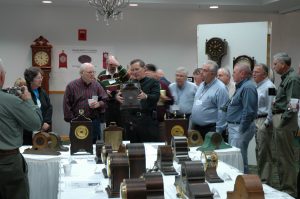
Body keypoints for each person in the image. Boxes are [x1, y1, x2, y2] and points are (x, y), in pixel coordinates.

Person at [0, 59, 42, 199]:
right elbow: (36, 123)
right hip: (7, 164)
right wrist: (29, 100)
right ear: (1, 77)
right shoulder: (10, 100)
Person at [271, 52, 300, 198]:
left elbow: (294, 104)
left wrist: (283, 121)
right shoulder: (287, 78)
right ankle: (285, 188)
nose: (273, 66)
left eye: (275, 63)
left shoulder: (293, 79)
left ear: (283, 64)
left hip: (285, 122)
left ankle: (290, 191)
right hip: (282, 119)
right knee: (281, 157)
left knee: (286, 158)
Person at [116, 59, 160, 143]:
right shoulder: (129, 83)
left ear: (144, 69)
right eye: (132, 70)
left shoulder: (153, 82)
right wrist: (118, 97)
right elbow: (123, 99)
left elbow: (156, 97)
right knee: (132, 149)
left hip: (147, 121)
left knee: (148, 149)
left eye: (137, 69)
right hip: (131, 122)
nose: (134, 72)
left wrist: (146, 96)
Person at [63, 62, 108, 143]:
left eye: (93, 72)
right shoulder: (72, 86)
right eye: (89, 72)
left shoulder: (97, 85)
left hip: (93, 121)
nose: (92, 74)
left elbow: (105, 100)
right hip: (77, 121)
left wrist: (99, 104)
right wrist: (73, 121)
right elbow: (66, 105)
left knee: (94, 147)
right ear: (81, 73)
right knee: (77, 146)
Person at [226, 62, 258, 173]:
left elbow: (248, 111)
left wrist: (241, 129)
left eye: (234, 72)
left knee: (239, 158)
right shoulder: (241, 86)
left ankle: (243, 183)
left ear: (242, 73)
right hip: (235, 127)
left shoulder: (248, 87)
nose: (232, 75)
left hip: (240, 127)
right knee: (236, 157)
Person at [190, 60, 229, 139]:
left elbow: (223, 112)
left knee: (209, 152)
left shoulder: (221, 88)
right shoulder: (201, 85)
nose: (201, 72)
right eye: (202, 69)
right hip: (196, 128)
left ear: (213, 73)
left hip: (210, 129)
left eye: (205, 70)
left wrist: (218, 132)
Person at [252, 63, 276, 185]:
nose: (253, 73)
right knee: (259, 151)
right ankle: (261, 178)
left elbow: (272, 106)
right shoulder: (257, 86)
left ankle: (266, 181)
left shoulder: (270, 86)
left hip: (264, 121)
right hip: (256, 120)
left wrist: (267, 122)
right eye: (253, 71)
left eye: (257, 72)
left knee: (265, 153)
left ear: (265, 74)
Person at [22, 67, 52, 145]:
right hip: (28, 132)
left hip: (43, 131)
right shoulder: (24, 93)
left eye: (41, 77)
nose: (41, 80)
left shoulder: (42, 92)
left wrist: (47, 122)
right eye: (38, 78)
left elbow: (49, 107)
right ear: (31, 79)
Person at [97, 55, 129, 126]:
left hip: (121, 104)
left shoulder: (121, 73)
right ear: (106, 64)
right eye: (111, 64)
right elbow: (97, 88)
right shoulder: (101, 75)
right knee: (109, 126)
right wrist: (104, 92)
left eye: (114, 64)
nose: (113, 66)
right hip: (108, 104)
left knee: (122, 125)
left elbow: (128, 78)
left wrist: (118, 65)